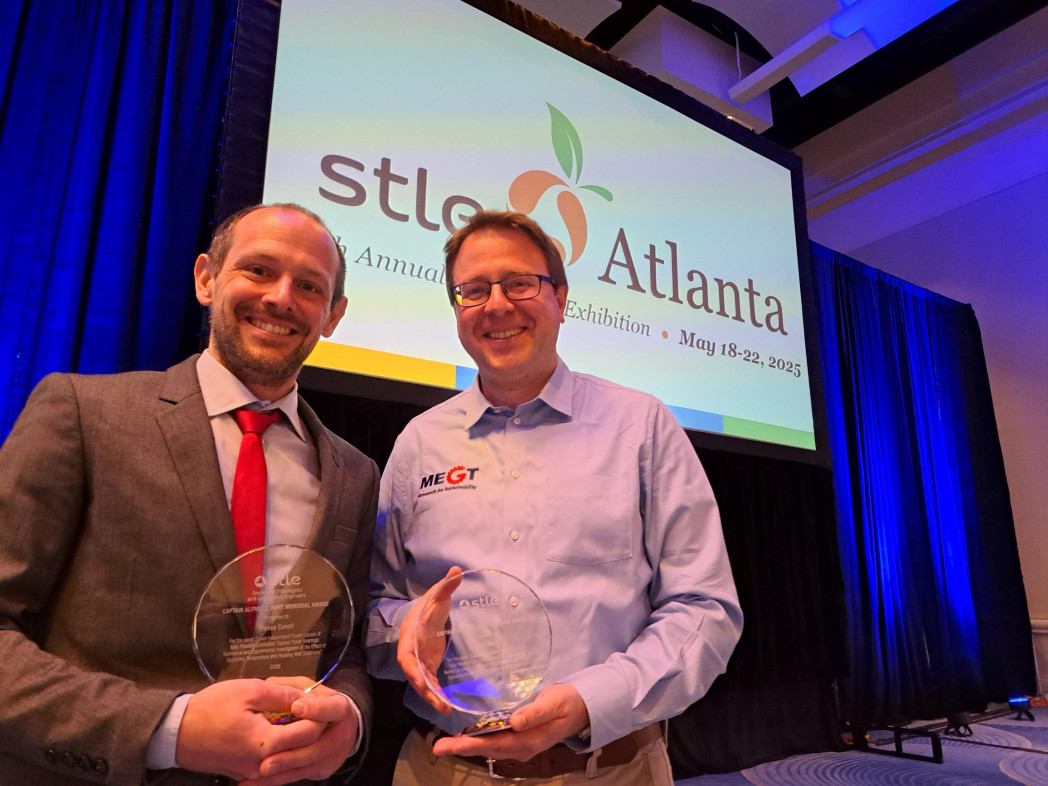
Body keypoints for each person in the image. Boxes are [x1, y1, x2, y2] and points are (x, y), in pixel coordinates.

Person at [0, 204, 379, 785]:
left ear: (334, 315)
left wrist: (348, 721)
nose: (281, 298)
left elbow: (341, 649)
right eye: (258, 270)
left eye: (309, 286)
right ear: (206, 278)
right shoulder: (82, 413)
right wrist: (170, 729)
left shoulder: (354, 473)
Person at [366, 210, 743, 784]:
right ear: (457, 309)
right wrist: (408, 630)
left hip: (613, 769)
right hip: (447, 768)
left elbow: (704, 607)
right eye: (473, 290)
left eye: (519, 283)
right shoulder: (419, 443)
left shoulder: (639, 425)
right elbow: (375, 606)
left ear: (561, 298)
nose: (497, 305)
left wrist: (592, 701)